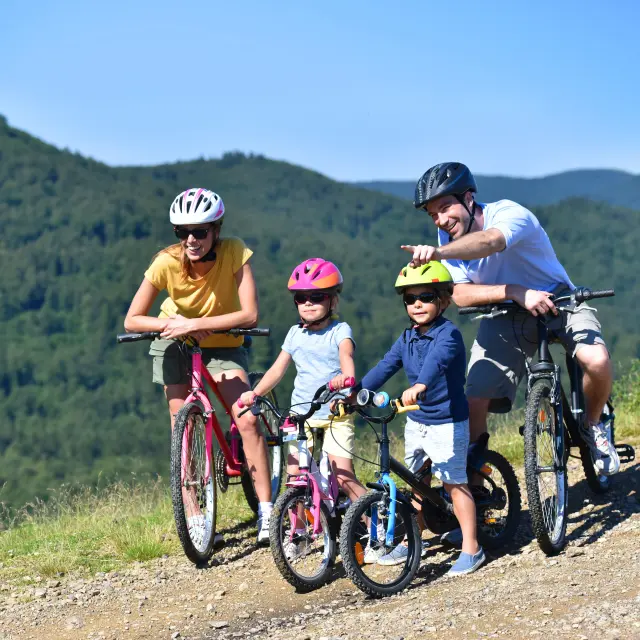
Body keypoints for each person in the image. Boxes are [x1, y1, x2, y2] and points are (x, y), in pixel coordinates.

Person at [403, 163, 619, 545]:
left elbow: (491, 242)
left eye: (444, 207)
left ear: (468, 198)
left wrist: (437, 252)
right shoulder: (447, 239)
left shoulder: (508, 213)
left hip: (561, 299)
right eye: (432, 213)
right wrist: (515, 292)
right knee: (473, 400)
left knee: (595, 360)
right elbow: (459, 294)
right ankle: (475, 494)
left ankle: (595, 423)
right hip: (506, 312)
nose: (439, 218)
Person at [124, 187, 274, 545]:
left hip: (223, 341)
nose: (191, 239)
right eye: (183, 231)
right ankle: (195, 517)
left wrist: (195, 323)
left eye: (200, 231)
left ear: (216, 230)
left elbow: (250, 314)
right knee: (183, 430)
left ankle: (268, 510)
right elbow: (133, 319)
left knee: (247, 417)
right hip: (174, 340)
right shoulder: (165, 262)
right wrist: (171, 325)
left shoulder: (235, 252)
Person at [355, 261, 485, 576]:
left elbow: (437, 363)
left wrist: (419, 386)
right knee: (417, 482)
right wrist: (356, 391)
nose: (417, 304)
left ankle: (472, 547)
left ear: (443, 299)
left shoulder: (448, 333)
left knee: (454, 483)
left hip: (447, 420)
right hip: (418, 420)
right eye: (410, 299)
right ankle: (416, 537)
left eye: (425, 297)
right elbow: (387, 365)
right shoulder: (407, 337)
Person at [239, 258, 367, 559]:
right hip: (301, 415)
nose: (308, 303)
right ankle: (298, 533)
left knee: (343, 475)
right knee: (296, 475)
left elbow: (347, 361)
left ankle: (375, 525)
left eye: (317, 297)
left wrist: (346, 386)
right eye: (301, 298)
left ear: (333, 299)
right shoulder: (295, 334)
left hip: (336, 413)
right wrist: (253, 393)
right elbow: (277, 371)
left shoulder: (340, 331)